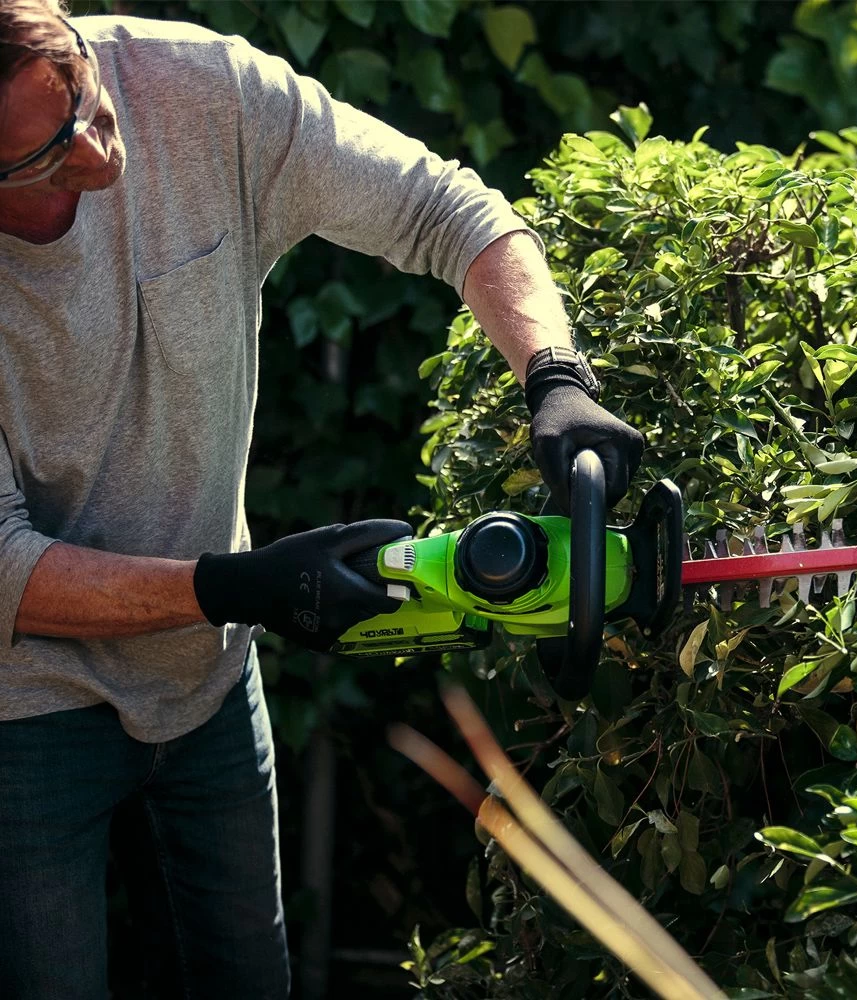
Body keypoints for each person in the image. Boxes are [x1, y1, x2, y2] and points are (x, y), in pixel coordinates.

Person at [0, 1, 644, 996]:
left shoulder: (198, 89)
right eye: (45, 157)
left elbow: (447, 209)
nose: (95, 149)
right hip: (21, 711)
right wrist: (238, 586)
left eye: (81, 96)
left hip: (205, 682)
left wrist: (555, 376)